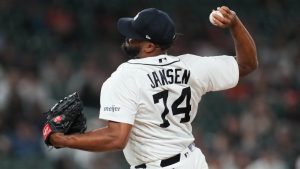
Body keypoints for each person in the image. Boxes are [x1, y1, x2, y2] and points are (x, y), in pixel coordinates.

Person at [48, 6, 258, 169]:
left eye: (134, 35)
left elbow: (116, 138)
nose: (128, 36)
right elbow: (248, 64)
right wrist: (235, 24)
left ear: (149, 46)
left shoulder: (126, 76)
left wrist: (63, 140)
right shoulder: (192, 66)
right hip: (192, 162)